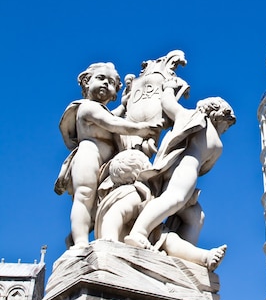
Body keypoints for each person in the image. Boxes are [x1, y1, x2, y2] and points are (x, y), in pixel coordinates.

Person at [124, 78, 236, 254]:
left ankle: (181, 254)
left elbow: (167, 103)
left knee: (196, 216)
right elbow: (206, 168)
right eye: (226, 126)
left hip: (170, 167)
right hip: (187, 170)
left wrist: (169, 86)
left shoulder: (188, 117)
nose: (225, 130)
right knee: (174, 199)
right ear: (219, 117)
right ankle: (139, 232)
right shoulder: (217, 144)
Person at [55, 62, 160, 249]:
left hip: (106, 163)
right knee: (85, 196)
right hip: (89, 154)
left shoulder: (103, 110)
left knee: (96, 205)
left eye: (111, 82)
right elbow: (112, 123)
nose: (106, 84)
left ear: (114, 93)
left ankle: (74, 236)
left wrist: (126, 104)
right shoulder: (87, 107)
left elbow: (114, 116)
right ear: (86, 82)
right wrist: (141, 129)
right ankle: (79, 243)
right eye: (101, 78)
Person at [96, 149, 227, 271]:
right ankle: (204, 257)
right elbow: (114, 215)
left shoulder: (142, 194)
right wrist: (110, 238)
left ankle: (204, 257)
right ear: (141, 170)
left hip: (146, 238)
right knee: (170, 240)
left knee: (170, 239)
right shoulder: (132, 194)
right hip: (124, 241)